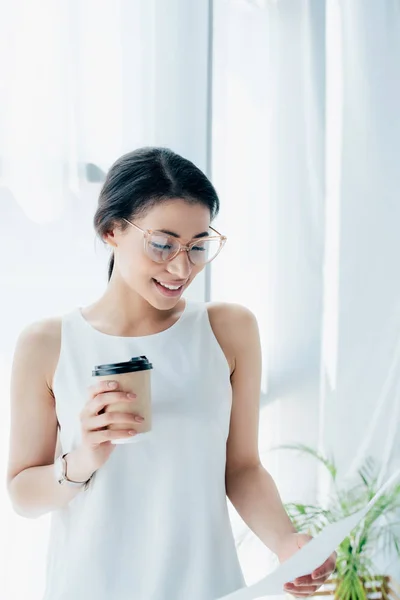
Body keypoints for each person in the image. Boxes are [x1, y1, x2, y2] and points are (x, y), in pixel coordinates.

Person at [6, 147, 336, 600]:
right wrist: (83, 459)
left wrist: (286, 542)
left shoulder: (229, 331)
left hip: (206, 586)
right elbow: (23, 494)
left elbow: (241, 467)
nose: (182, 268)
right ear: (111, 230)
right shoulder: (47, 344)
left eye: (198, 246)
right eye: (162, 244)